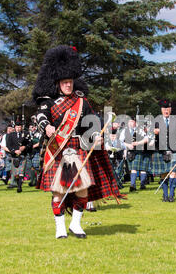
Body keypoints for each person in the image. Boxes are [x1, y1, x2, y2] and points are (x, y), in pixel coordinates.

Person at [32, 45, 121, 239]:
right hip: (57, 149)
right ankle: (60, 228)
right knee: (58, 192)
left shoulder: (82, 102)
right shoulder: (48, 101)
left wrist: (96, 134)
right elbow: (40, 116)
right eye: (64, 82)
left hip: (78, 149)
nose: (68, 85)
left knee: (82, 189)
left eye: (70, 82)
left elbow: (92, 123)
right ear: (57, 83)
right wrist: (47, 127)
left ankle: (76, 225)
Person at [5, 118, 31, 193]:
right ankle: (18, 183)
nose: (18, 128)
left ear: (21, 127)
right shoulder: (10, 135)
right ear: (15, 127)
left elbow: (30, 143)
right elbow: (8, 145)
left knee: (21, 172)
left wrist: (24, 147)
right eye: (17, 127)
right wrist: (14, 151)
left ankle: (19, 187)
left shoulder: (26, 134)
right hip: (14, 156)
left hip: (23, 155)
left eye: (20, 127)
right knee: (16, 173)